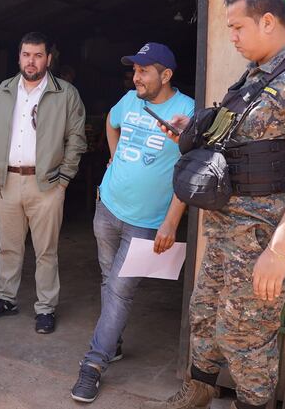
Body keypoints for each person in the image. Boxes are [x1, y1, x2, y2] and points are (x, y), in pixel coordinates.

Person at [145, 0, 285, 409]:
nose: (231, 36)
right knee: (205, 310)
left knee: (246, 333)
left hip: (262, 236)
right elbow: (241, 143)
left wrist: (280, 249)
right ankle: (199, 389)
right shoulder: (256, 74)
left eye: (237, 27)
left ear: (267, 21)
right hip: (225, 227)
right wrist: (191, 129)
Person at [69, 43, 194, 403]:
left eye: (144, 71)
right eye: (134, 70)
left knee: (120, 290)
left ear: (165, 76)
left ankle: (93, 365)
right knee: (110, 281)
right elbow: (111, 121)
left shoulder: (186, 111)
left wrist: (171, 222)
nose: (135, 77)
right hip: (107, 208)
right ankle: (114, 339)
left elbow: (190, 171)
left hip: (145, 223)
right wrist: (114, 158)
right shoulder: (130, 100)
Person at [0, 31, 87, 334]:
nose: (31, 61)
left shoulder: (65, 93)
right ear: (19, 57)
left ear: (48, 59)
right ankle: (6, 298)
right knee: (8, 248)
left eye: (38, 55)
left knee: (45, 251)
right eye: (26, 54)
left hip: (47, 184)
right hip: (5, 181)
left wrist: (63, 179)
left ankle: (45, 308)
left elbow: (76, 139)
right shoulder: (5, 89)